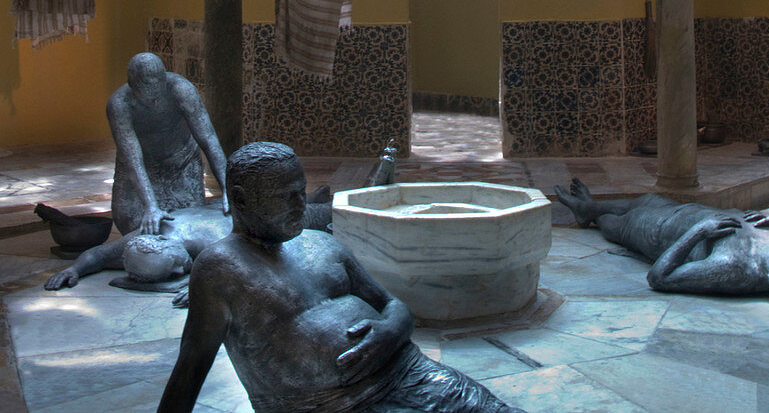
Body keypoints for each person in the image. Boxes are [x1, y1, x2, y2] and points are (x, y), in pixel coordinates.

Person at [158, 142, 526, 413]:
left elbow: (394, 305)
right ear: (240, 199)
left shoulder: (322, 244)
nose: (301, 206)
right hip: (330, 404)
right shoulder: (221, 269)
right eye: (285, 198)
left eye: (300, 193)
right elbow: (191, 367)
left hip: (407, 371)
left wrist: (389, 332)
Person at [555, 177, 769, 312]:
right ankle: (588, 208)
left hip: (664, 231)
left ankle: (590, 213)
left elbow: (660, 277)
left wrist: (698, 232)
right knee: (647, 200)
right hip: (685, 212)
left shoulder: (731, 268)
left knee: (620, 225)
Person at [43, 184, 333, 299]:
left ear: (169, 246)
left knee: (326, 214)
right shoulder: (142, 242)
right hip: (220, 212)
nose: (182, 270)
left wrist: (199, 289)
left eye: (177, 266)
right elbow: (98, 255)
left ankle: (318, 200)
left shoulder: (205, 242)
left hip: (261, 219)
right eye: (176, 272)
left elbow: (249, 267)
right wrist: (75, 270)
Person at [106, 52, 229, 235]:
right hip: (143, 166)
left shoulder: (181, 89)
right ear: (133, 87)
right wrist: (151, 207)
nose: (154, 103)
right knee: (133, 225)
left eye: (158, 95)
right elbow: (133, 160)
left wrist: (227, 188)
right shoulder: (119, 104)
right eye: (148, 97)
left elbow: (208, 139)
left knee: (187, 225)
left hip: (181, 162)